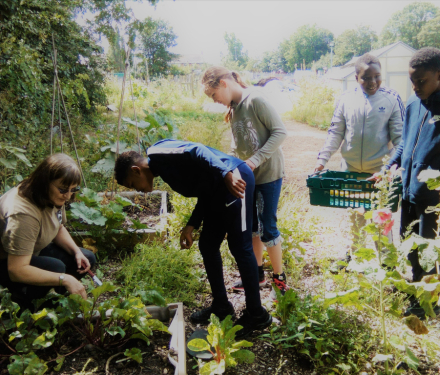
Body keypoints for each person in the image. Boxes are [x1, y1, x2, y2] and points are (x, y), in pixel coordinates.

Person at [114, 141, 272, 338]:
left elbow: (197, 150)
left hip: (235, 178)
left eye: (131, 185)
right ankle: (221, 306)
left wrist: (226, 174)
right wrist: (191, 225)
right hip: (217, 190)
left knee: (240, 246)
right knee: (207, 244)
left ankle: (256, 314)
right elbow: (206, 189)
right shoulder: (166, 172)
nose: (137, 190)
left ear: (136, 170)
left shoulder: (157, 152)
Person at [383, 48, 440, 319]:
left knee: (431, 249)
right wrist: (391, 164)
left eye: (421, 81)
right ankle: (416, 289)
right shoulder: (413, 102)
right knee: (410, 243)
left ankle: (429, 302)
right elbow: (405, 143)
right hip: (411, 190)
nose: (415, 87)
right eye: (412, 81)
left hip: (438, 197)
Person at [201, 67, 289, 299]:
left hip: (268, 174)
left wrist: (255, 160)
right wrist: (229, 166)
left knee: (267, 227)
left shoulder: (256, 99)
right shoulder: (234, 107)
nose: (215, 101)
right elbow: (236, 144)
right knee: (251, 228)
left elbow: (280, 132)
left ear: (223, 83)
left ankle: (280, 280)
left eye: (213, 95)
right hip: (248, 177)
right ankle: (257, 273)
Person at [314, 53, 404, 266]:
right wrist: (322, 160)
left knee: (381, 221)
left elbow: (400, 139)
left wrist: (391, 168)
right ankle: (356, 262)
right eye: (366, 78)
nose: (372, 82)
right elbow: (336, 132)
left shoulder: (391, 98)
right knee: (356, 218)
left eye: (377, 76)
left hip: (379, 175)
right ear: (356, 78)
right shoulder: (346, 99)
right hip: (351, 172)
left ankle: (388, 266)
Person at [0, 154, 96, 310]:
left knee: (86, 258)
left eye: (74, 189)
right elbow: (16, 270)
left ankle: (57, 304)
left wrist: (76, 252)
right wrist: (65, 279)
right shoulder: (23, 214)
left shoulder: (54, 195)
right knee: (55, 268)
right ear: (44, 182)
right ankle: (26, 306)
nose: (69, 195)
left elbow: (57, 227)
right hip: (9, 262)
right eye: (64, 189)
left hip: (31, 250)